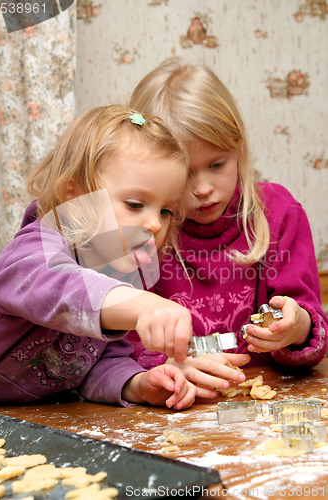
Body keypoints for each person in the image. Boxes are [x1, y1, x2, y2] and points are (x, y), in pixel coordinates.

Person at [128, 57, 328, 399]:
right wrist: (166, 369)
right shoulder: (140, 229)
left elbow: (308, 327)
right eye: (186, 172)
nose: (203, 188)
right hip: (173, 403)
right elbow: (122, 343)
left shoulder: (279, 215)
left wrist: (295, 327)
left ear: (238, 149)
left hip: (264, 403)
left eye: (216, 164)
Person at [0, 104, 197, 410]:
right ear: (74, 197)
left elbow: (98, 363)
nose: (155, 224)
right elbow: (61, 289)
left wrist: (141, 385)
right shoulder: (33, 253)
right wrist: (142, 305)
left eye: (166, 210)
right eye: (134, 204)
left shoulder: (118, 274)